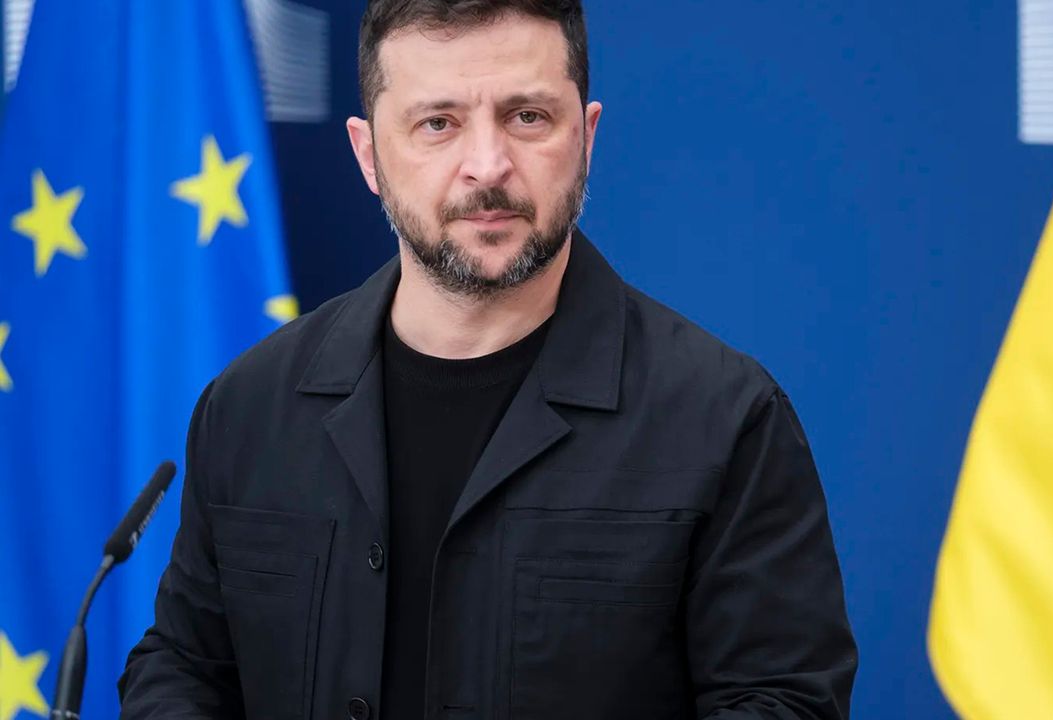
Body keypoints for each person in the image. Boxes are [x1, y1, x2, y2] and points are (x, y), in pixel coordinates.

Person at [118, 1, 857, 717]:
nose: (488, 165)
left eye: (527, 116)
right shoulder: (249, 405)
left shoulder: (725, 420)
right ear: (368, 156)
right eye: (437, 124)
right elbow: (184, 665)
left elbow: (784, 700)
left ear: (586, 137)